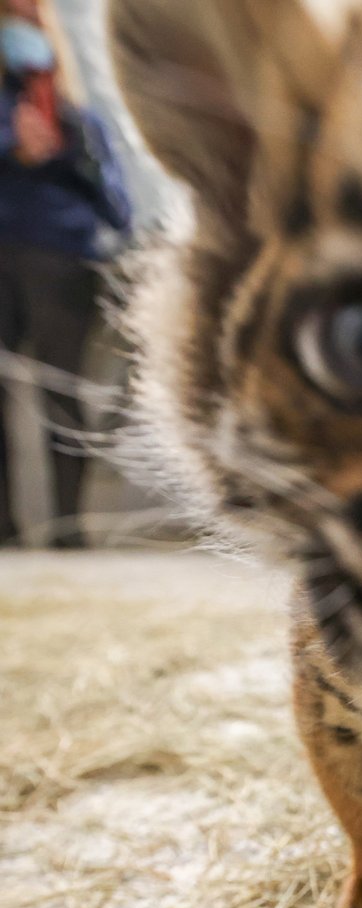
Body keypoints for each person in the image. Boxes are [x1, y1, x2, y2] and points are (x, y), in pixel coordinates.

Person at [0, 0, 131, 547]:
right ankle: (5, 527)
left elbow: (112, 193)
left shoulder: (73, 104)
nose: (22, 21)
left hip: (63, 260)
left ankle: (71, 530)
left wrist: (69, 145)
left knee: (63, 394)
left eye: (32, 13)